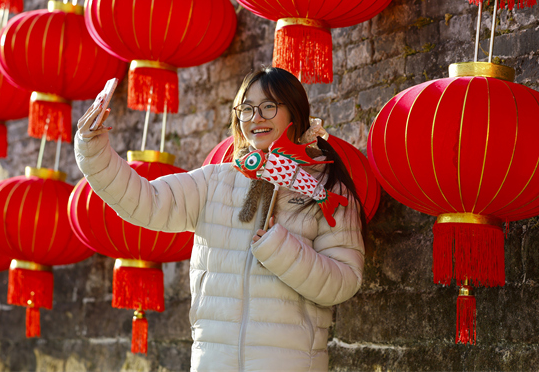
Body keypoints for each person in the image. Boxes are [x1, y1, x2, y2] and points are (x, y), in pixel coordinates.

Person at [75, 67, 365, 372]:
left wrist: (279, 249)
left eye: (269, 106)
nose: (256, 117)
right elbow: (144, 200)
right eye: (247, 109)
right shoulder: (214, 180)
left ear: (295, 111)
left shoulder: (326, 190)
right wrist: (93, 150)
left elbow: (344, 282)